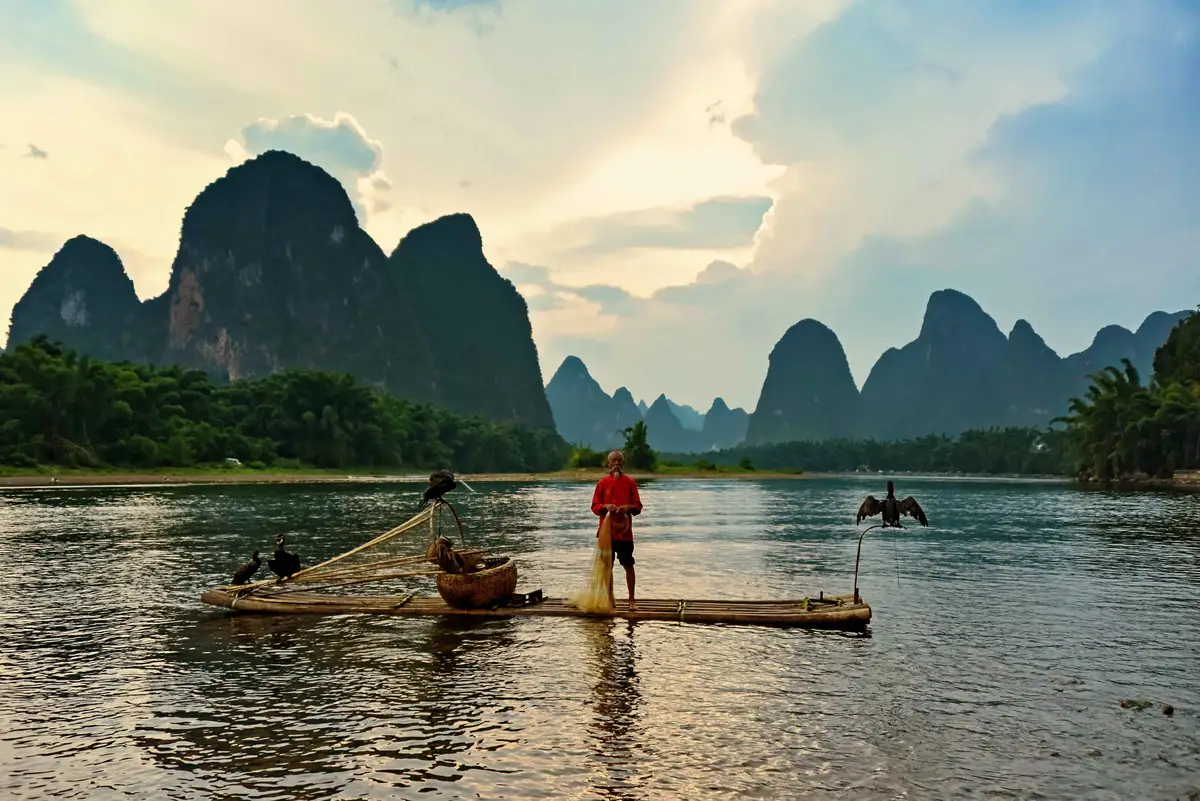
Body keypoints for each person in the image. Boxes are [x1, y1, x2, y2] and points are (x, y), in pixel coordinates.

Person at [590, 449, 643, 611]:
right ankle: (609, 598)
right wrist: (606, 506)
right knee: (607, 566)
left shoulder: (630, 483)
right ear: (608, 464)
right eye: (613, 461)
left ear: (623, 464)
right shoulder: (602, 483)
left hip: (625, 533)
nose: (616, 464)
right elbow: (594, 506)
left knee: (628, 564)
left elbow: (638, 506)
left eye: (619, 461)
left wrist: (629, 507)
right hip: (606, 533)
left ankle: (631, 599)